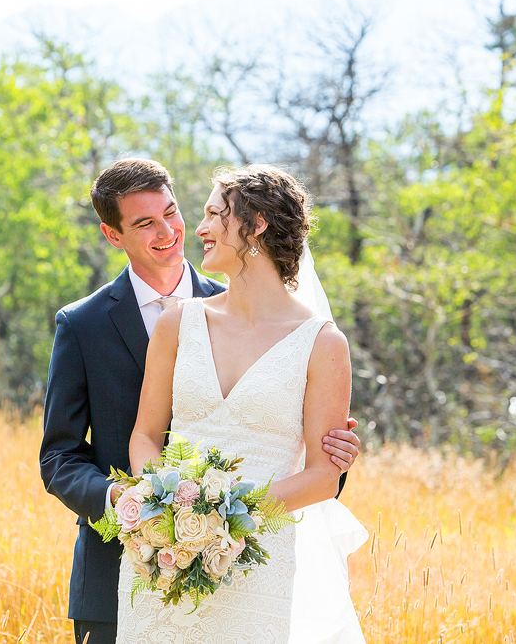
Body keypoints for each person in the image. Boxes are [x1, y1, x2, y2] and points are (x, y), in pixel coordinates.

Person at [39, 158, 362, 644]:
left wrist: (232, 510)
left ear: (256, 227)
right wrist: (148, 504)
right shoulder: (89, 325)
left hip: (255, 563)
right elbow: (63, 454)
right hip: (134, 562)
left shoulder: (314, 339)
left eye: (176, 212)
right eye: (145, 223)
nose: (174, 230)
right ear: (114, 235)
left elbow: (316, 466)